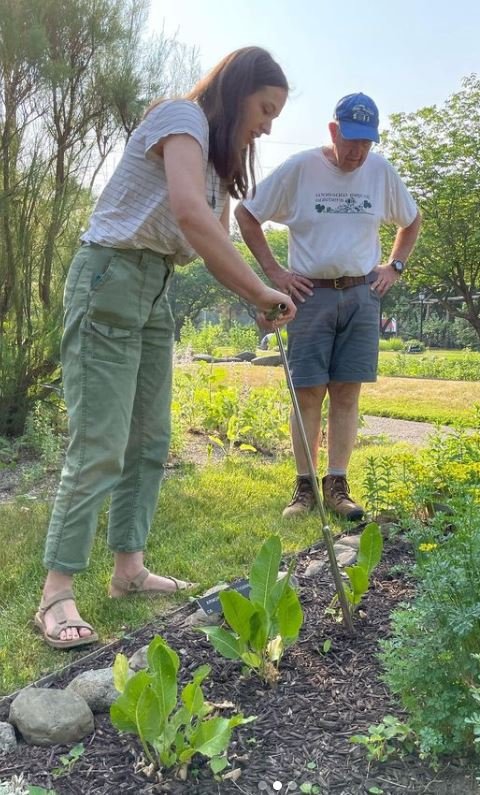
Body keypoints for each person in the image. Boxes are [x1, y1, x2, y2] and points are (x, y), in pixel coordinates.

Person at [36, 47, 295, 650]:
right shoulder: (181, 119)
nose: (268, 125)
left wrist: (256, 297)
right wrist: (262, 286)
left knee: (149, 440)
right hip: (110, 276)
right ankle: (56, 590)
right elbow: (186, 214)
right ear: (236, 93)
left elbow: (215, 239)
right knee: (100, 441)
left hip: (155, 288)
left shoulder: (216, 162)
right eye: (264, 108)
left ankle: (129, 569)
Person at [235, 92, 421, 520]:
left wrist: (394, 266)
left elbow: (411, 220)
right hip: (310, 294)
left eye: (367, 143)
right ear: (333, 131)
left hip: (361, 294)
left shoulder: (380, 172)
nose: (358, 152)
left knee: (346, 392)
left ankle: (337, 484)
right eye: (351, 140)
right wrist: (275, 272)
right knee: (308, 391)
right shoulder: (301, 168)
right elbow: (247, 214)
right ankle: (304, 489)